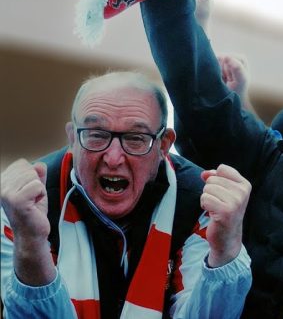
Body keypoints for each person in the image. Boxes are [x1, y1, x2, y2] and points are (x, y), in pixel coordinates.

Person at [0, 72, 253, 318]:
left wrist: (225, 253)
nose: (113, 158)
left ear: (163, 145)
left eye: (135, 138)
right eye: (96, 135)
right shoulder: (24, 205)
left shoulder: (201, 201)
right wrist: (31, 244)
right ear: (72, 139)